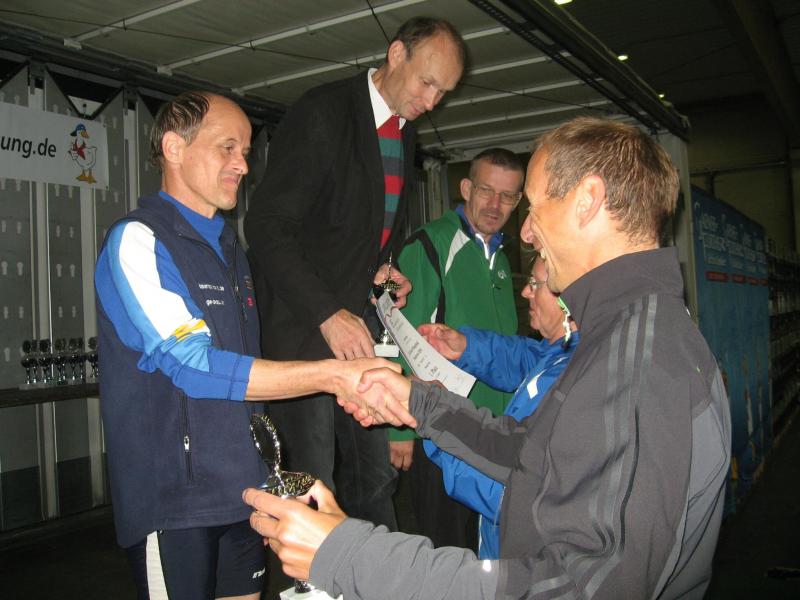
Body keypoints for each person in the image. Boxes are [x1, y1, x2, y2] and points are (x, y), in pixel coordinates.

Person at [243, 116, 732, 600]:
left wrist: (346, 555)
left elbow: (577, 587)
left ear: (588, 200)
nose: (526, 232)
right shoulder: (620, 332)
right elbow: (537, 454)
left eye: (533, 206)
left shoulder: (637, 362)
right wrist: (419, 403)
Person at [94, 91, 413, 600]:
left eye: (245, 151)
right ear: (174, 148)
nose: (243, 165)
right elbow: (193, 366)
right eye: (227, 148)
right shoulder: (139, 240)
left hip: (242, 494)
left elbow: (252, 372)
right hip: (175, 505)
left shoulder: (231, 249)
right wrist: (331, 375)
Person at [243, 17, 466, 530]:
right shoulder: (324, 112)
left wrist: (383, 273)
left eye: (444, 92)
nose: (432, 101)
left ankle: (372, 570)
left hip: (358, 335)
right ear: (396, 54)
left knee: (375, 478)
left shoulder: (404, 134)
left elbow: (351, 239)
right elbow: (267, 226)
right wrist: (327, 314)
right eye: (427, 83)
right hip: (304, 333)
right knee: (312, 484)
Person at [388, 146, 524, 549]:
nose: (495, 204)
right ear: (465, 188)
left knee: (490, 549)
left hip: (495, 432)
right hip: (442, 432)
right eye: (486, 190)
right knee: (447, 550)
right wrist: (398, 428)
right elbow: (398, 336)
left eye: (508, 196)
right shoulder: (429, 245)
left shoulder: (501, 258)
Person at [420, 255, 578, 558]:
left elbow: (509, 493)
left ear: (568, 297)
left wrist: (428, 411)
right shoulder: (566, 349)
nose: (526, 291)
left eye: (535, 283)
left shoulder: (570, 380)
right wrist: (466, 347)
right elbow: (527, 357)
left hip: (520, 564)